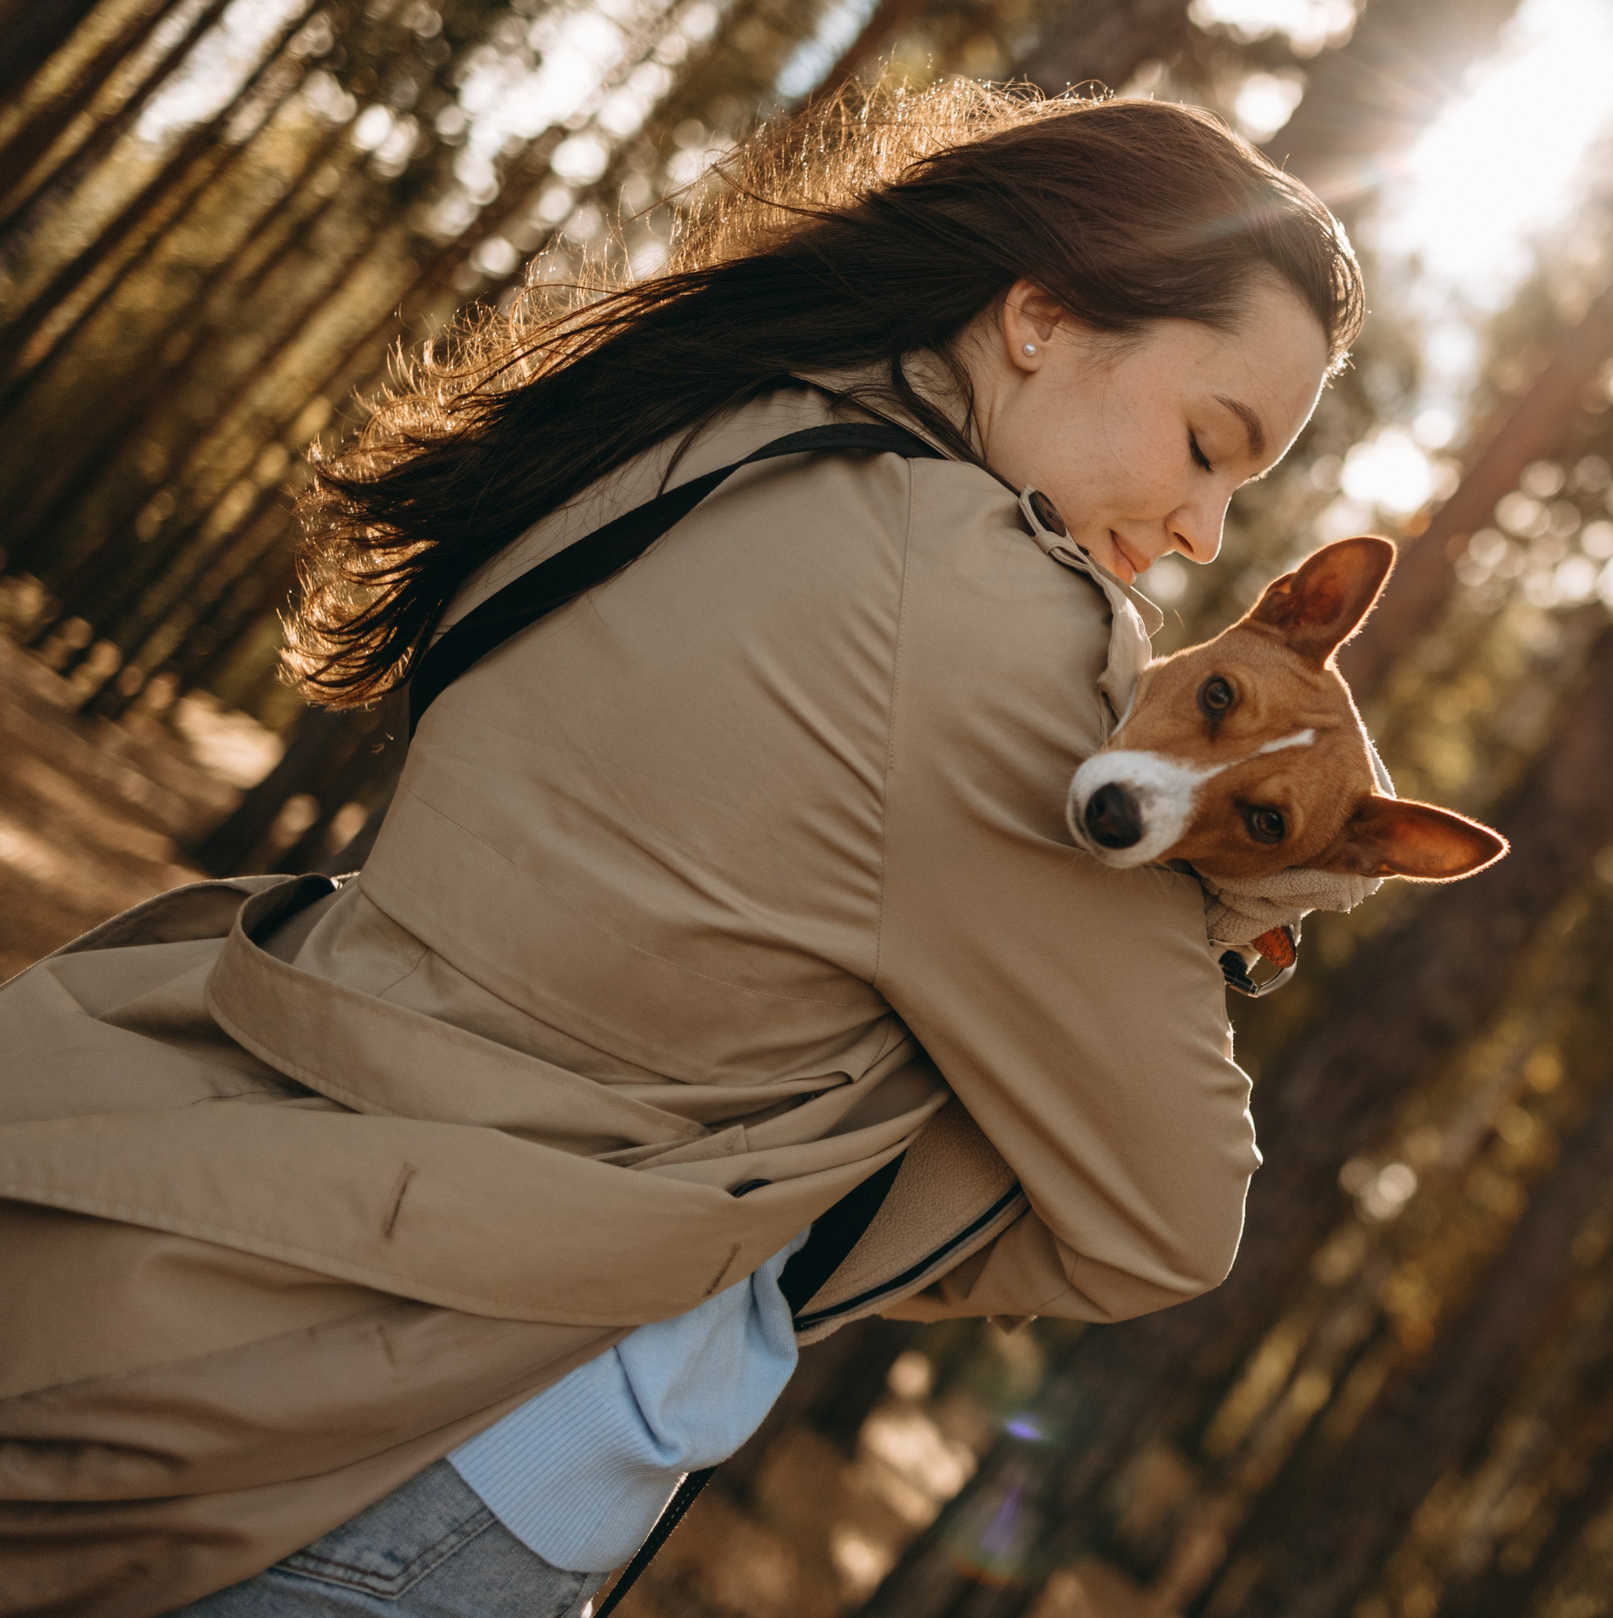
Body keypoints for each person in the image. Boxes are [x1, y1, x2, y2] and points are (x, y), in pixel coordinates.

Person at [0, 81, 1364, 1617]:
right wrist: (773, 1212)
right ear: (1040, 317)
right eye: (1206, 442)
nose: (1202, 533)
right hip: (427, 1447)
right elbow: (1172, 1219)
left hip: (169, 1250)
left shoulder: (689, 417)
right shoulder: (985, 611)